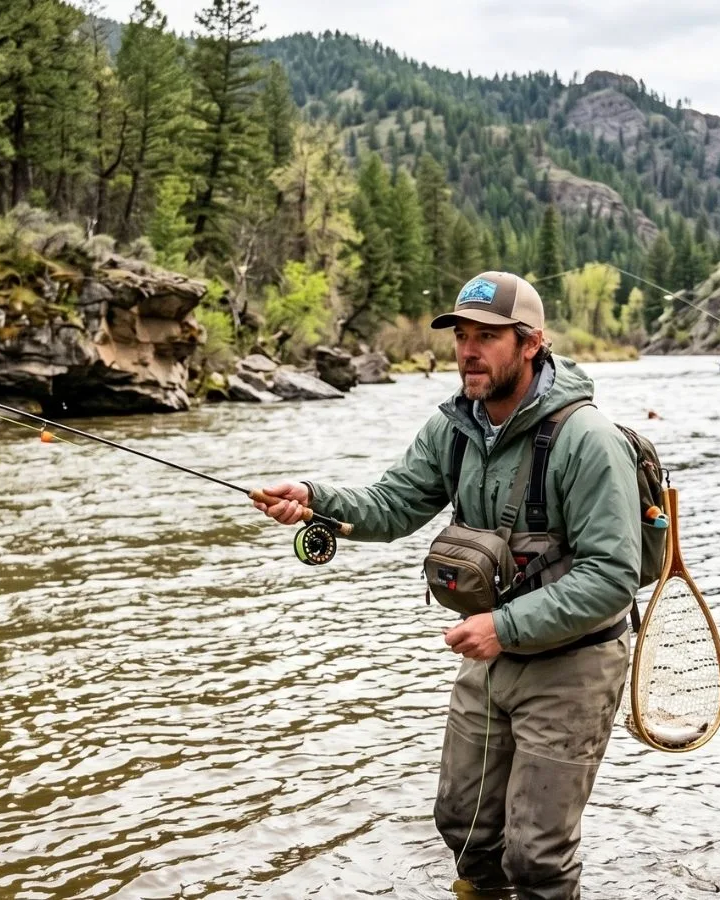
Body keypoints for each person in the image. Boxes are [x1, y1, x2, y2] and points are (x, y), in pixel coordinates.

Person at [254, 271, 638, 900]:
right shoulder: (454, 428)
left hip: (574, 664)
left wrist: (502, 626)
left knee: (537, 857)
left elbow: (612, 576)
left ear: (531, 343)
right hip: (488, 658)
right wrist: (315, 498)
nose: (467, 351)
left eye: (487, 336)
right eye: (462, 335)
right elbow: (392, 504)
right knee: (463, 829)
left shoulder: (586, 440)